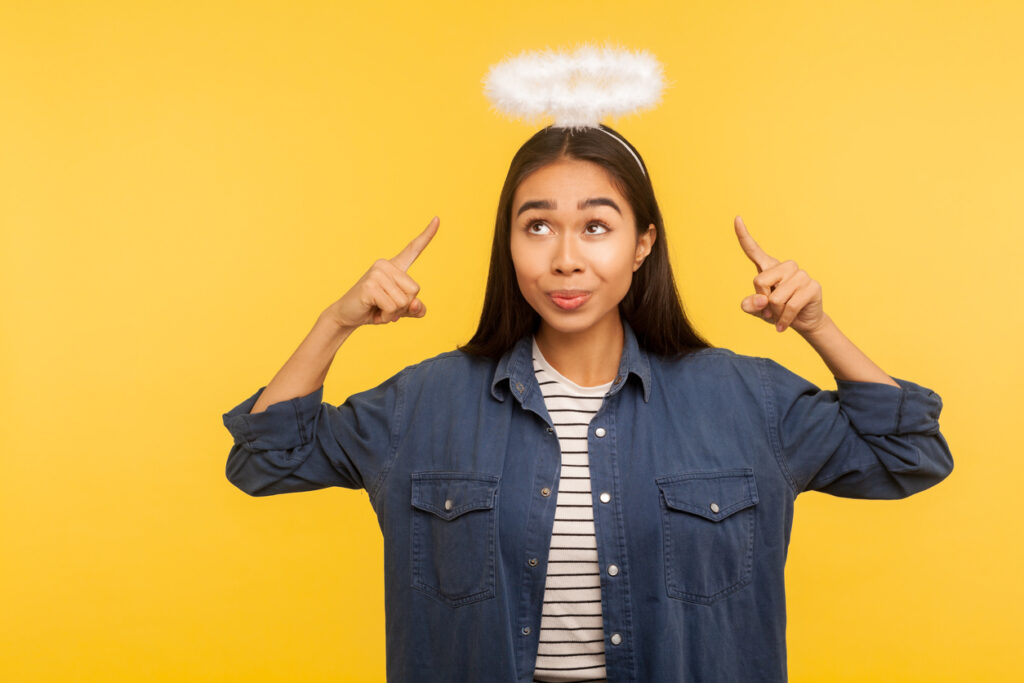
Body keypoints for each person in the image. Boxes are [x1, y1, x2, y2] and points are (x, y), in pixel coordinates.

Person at [222, 123, 953, 683]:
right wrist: (336, 321)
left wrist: (819, 326)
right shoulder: (429, 401)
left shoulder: (742, 397)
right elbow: (266, 457)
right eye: (536, 225)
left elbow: (910, 453)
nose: (565, 257)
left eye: (597, 226)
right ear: (509, 244)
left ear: (642, 244)